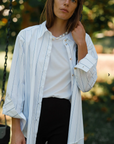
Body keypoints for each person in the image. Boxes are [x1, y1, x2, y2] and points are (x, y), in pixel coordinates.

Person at [2, 0, 98, 144]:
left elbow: (85, 85)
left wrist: (82, 44)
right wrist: (16, 130)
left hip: (63, 120)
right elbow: (16, 86)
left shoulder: (83, 40)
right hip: (31, 117)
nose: (66, 3)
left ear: (77, 7)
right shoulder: (27, 37)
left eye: (73, 0)